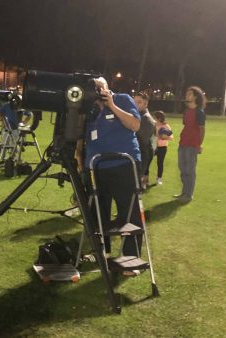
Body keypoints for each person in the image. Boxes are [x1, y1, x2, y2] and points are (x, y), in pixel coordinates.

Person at [81, 77, 143, 276]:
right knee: (98, 212)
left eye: (100, 88)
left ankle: (130, 259)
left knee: (128, 211)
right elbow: (80, 138)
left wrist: (111, 105)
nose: (97, 92)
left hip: (124, 164)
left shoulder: (122, 99)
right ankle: (101, 251)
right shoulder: (88, 110)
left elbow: (134, 125)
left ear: (107, 87)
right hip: (96, 167)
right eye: (94, 89)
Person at [175, 86, 206, 203]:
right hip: (182, 143)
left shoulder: (199, 112)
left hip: (192, 145)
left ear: (195, 97)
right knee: (182, 169)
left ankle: (189, 195)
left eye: (189, 94)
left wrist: (199, 144)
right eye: (186, 93)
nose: (186, 96)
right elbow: (186, 126)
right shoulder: (186, 111)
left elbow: (202, 129)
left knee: (190, 170)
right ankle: (184, 192)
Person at [134, 92, 156, 189]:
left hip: (143, 153)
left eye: (139, 102)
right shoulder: (138, 115)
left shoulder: (145, 118)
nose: (135, 104)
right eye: (134, 101)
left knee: (135, 184)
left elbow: (143, 142)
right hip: (141, 152)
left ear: (145, 104)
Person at [153, 110, 173, 185]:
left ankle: (159, 178)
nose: (154, 118)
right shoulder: (154, 125)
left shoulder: (166, 126)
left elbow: (171, 137)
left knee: (160, 163)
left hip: (162, 147)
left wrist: (164, 137)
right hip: (154, 146)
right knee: (147, 161)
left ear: (159, 118)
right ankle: (145, 177)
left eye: (155, 117)